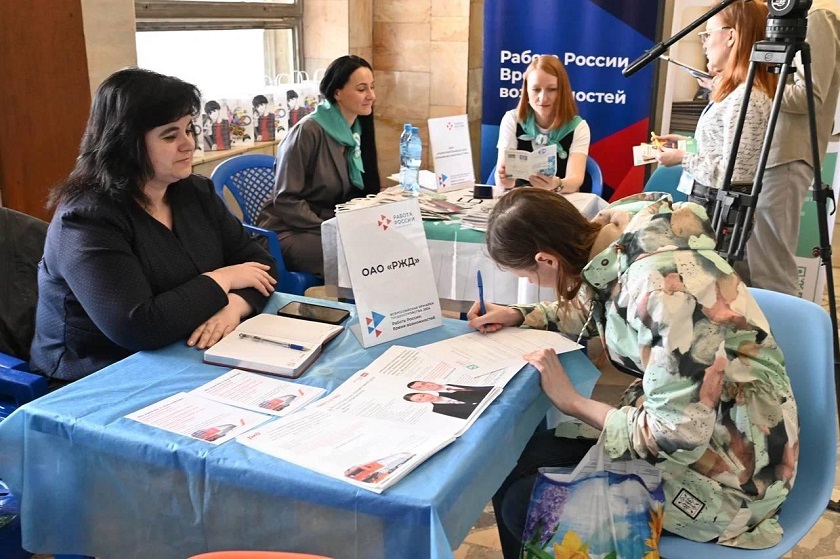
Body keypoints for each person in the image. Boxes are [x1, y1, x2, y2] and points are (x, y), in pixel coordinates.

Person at [467, 189, 798, 556]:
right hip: (708, 424)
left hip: (739, 478)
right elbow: (604, 310)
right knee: (512, 464)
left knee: (527, 506)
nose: (533, 284)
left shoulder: (662, 291)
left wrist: (573, 403)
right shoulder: (621, 234)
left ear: (546, 260)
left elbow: (675, 437)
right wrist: (519, 314)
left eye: (529, 276)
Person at [30, 68, 279, 385]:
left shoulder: (194, 191)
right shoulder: (87, 219)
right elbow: (137, 326)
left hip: (187, 350)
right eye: (170, 135)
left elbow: (262, 264)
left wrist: (233, 306)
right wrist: (224, 278)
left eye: (189, 129)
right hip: (97, 374)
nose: (188, 144)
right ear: (126, 143)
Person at [743, 1, 840, 295]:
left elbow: (808, 96)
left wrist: (751, 87)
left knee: (771, 271)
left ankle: (787, 326)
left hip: (786, 154)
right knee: (748, 266)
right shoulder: (775, 15)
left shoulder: (817, 18)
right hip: (762, 156)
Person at [257, 55, 381, 276]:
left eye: (372, 87)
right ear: (337, 93)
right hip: (288, 230)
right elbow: (286, 200)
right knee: (360, 254)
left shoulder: (356, 131)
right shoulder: (307, 131)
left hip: (327, 223)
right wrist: (332, 228)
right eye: (362, 89)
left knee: (386, 242)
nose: (371, 95)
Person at [655, 1, 777, 217]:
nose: (704, 44)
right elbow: (723, 151)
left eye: (708, 35)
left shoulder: (746, 98)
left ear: (731, 36)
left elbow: (734, 175)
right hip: (708, 202)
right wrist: (689, 144)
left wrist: (682, 158)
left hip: (716, 210)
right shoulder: (736, 92)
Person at [495, 54, 591, 195]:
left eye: (551, 89)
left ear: (562, 91)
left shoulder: (578, 127)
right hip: (520, 199)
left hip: (559, 200)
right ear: (526, 91)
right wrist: (505, 181)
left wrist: (557, 185)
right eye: (536, 89)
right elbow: (500, 176)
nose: (543, 98)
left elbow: (575, 180)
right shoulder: (512, 120)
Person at [402, 392, 478, 420]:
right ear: (419, 403)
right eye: (419, 400)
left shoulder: (449, 392)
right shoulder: (438, 410)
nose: (426, 398)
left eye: (423, 395)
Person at [405, 381, 492, 404]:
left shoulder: (451, 380)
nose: (426, 386)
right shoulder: (446, 397)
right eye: (420, 388)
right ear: (421, 390)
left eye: (423, 383)